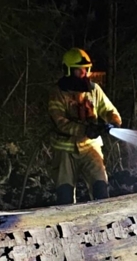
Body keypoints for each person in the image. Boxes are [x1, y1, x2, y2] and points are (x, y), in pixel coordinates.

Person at [48, 47, 122, 205]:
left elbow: (109, 110)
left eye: (86, 69)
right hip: (65, 151)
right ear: (68, 70)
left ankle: (102, 224)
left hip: (90, 148)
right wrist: (85, 130)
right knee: (65, 195)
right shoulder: (58, 93)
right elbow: (60, 122)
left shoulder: (94, 90)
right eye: (79, 70)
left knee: (100, 188)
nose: (84, 74)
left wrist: (113, 122)